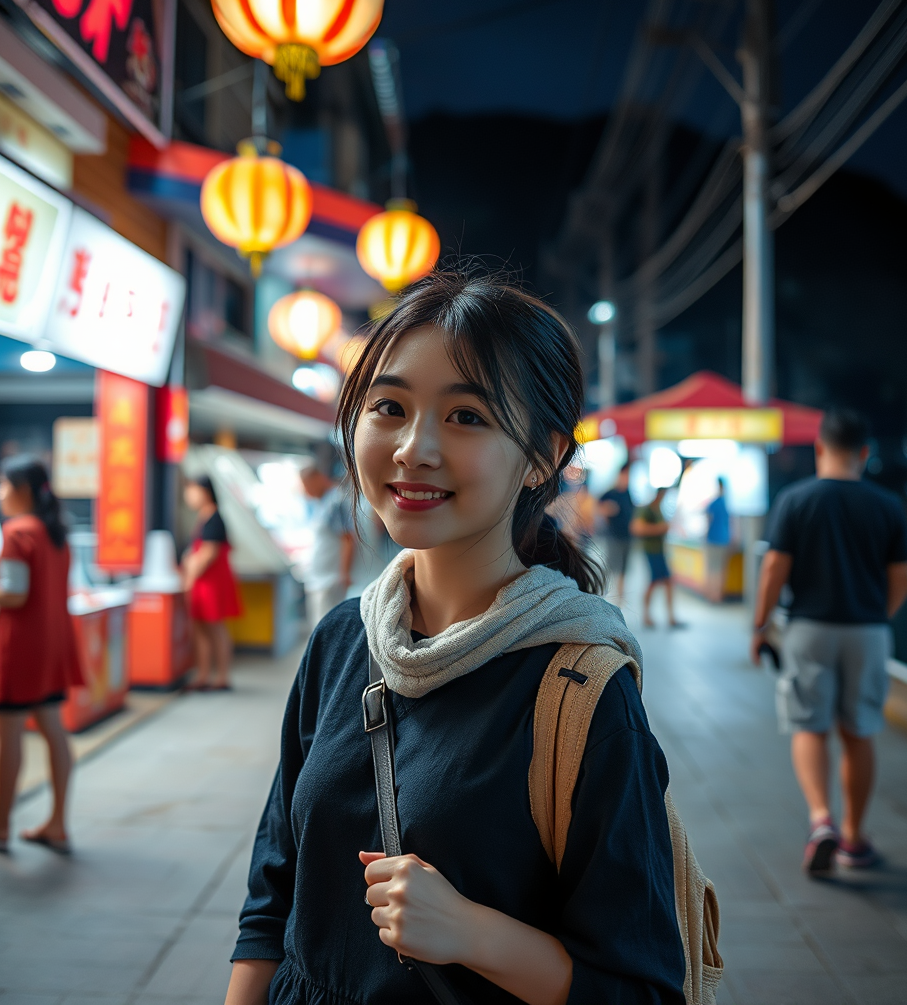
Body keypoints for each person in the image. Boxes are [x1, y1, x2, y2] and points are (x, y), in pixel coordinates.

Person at [225, 270, 685, 1005]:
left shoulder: (581, 693)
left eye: (466, 417)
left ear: (543, 455)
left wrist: (473, 932)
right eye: (389, 407)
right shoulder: (344, 638)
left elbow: (642, 988)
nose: (412, 448)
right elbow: (271, 894)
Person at [752, 408, 907, 875]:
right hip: (867, 630)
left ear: (820, 447)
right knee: (859, 729)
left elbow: (773, 570)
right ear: (864, 453)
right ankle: (855, 840)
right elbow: (900, 578)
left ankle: (821, 820)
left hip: (808, 628)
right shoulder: (887, 505)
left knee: (809, 725)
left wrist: (761, 625)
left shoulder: (796, 499)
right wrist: (877, 617)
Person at [0, 456, 82, 854]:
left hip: (21, 648)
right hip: (52, 646)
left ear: (23, 490)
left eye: (4, 486)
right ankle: (58, 821)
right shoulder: (53, 531)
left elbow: (14, 594)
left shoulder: (18, 532)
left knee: (7, 731)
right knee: (53, 730)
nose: (1, 494)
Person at [182, 476, 241, 691]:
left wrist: (189, 576)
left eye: (191, 490)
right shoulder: (204, 517)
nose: (188, 496)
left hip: (211, 584)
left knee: (215, 629)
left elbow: (208, 554)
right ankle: (204, 674)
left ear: (204, 491)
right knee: (201, 629)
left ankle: (222, 677)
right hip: (203, 584)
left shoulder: (214, 518)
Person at [299, 460, 356, 627]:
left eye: (307, 485)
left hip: (329, 579)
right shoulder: (322, 502)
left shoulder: (335, 501)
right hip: (319, 578)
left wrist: (344, 573)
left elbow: (347, 538)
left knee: (325, 626)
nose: (306, 491)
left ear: (318, 478)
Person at [631, 486, 681, 629]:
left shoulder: (658, 510)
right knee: (654, 583)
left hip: (659, 550)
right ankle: (647, 615)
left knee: (666, 582)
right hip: (652, 550)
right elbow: (637, 528)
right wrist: (661, 528)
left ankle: (669, 616)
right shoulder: (647, 510)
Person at [598, 464, 633, 601]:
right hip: (613, 535)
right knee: (611, 566)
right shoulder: (611, 493)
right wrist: (607, 510)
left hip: (627, 535)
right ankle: (607, 594)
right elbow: (598, 506)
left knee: (624, 567)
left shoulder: (628, 493)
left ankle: (620, 596)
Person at [704, 477, 731, 602]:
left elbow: (708, 522)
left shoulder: (713, 503)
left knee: (712, 568)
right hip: (724, 539)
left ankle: (712, 595)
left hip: (712, 539)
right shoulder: (727, 503)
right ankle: (719, 595)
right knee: (721, 569)